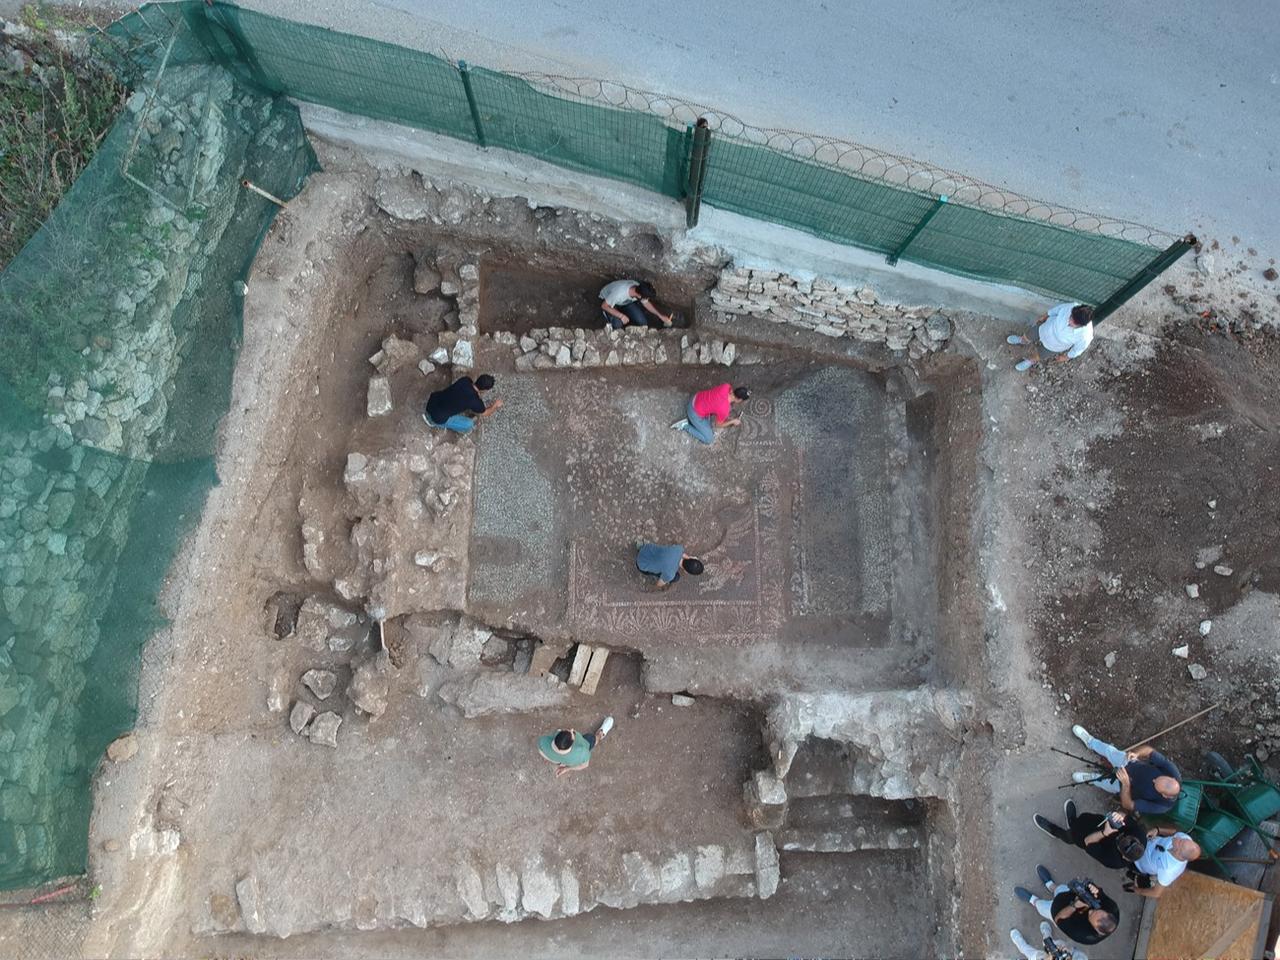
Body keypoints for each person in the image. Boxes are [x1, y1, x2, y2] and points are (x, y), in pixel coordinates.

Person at [1069, 724, 1182, 815]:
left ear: (1164, 795)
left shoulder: (1161, 806)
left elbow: (1129, 805)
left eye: (1155, 784)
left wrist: (1126, 784)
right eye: (1157, 778)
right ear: (1171, 778)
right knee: (1110, 751)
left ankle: (1093, 779)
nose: (1153, 780)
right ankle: (1091, 742)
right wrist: (1136, 753)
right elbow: (1150, 751)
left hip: (1124, 786)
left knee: (1105, 783)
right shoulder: (1172, 771)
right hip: (1131, 764)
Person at [1014, 866, 1119, 947]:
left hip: (1056, 910)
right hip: (1069, 895)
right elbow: (1102, 895)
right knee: (1059, 889)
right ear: (1108, 913)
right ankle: (1051, 886)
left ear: (1096, 929)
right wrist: (1096, 891)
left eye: (1091, 914)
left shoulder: (1084, 935)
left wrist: (1075, 905)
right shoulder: (1113, 910)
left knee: (1041, 906)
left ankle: (1033, 900)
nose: (1090, 910)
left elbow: (1058, 918)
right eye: (1096, 909)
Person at [1034, 799, 1147, 870]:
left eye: (1120, 843)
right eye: (1127, 837)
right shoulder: (1140, 835)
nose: (1122, 837)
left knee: (1071, 837)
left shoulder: (1114, 861)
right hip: (1099, 822)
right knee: (1083, 819)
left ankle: (1054, 831)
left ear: (1124, 856)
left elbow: (1087, 842)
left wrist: (1104, 833)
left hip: (1090, 837)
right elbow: (1125, 816)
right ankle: (1073, 821)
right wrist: (1120, 815)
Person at [1007, 302, 1094, 372]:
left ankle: (1030, 361)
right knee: (1028, 335)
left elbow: (1077, 350)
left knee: (1038, 355)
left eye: (1073, 322)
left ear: (1082, 325)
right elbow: (1058, 309)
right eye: (1071, 316)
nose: (1069, 320)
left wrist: (1066, 357)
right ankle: (1022, 340)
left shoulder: (1085, 336)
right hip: (1045, 328)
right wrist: (1045, 316)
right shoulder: (1072, 306)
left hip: (1053, 346)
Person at [1126, 829, 1200, 898]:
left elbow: (1156, 893)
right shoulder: (1186, 841)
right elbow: (1175, 833)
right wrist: (1158, 830)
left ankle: (1133, 875)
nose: (1179, 838)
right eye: (1184, 839)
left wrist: (1137, 890)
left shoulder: (1169, 870)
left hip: (1136, 861)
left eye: (1180, 842)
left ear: (1178, 853)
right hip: (1143, 841)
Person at [671, 383, 750, 444]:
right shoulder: (724, 409)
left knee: (711, 417)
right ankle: (685, 425)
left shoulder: (726, 386)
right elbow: (718, 425)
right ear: (739, 400)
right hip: (693, 412)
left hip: (695, 398)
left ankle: (700, 422)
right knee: (709, 439)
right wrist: (733, 421)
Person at [423, 373, 502, 434]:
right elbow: (485, 413)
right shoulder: (475, 402)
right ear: (484, 390)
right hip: (436, 417)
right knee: (469, 424)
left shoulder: (465, 380)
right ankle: (431, 421)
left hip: (433, 400)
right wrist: (495, 405)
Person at [537, 717, 614, 777]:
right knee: (591, 739)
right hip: (584, 743)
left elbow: (541, 751)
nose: (572, 729)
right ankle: (600, 734)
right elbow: (585, 765)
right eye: (572, 733)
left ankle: (560, 762)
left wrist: (554, 760)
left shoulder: (543, 742)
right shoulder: (582, 752)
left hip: (559, 761)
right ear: (572, 743)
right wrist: (567, 768)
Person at [599, 279, 673, 330]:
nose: (646, 299)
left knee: (643, 323)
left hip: (623, 302)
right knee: (617, 324)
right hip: (608, 301)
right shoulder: (619, 293)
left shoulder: (638, 288)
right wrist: (621, 316)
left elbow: (646, 303)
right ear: (639, 296)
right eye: (646, 298)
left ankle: (627, 320)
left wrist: (660, 316)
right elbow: (604, 306)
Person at [635, 542, 703, 589]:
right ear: (686, 571)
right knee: (676, 578)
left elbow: (682, 554)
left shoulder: (678, 548)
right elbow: (659, 584)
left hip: (646, 548)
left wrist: (690, 558)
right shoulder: (670, 574)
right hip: (641, 564)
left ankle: (640, 546)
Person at [1010, 922, 1087, 960]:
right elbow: (1080, 955)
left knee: (1028, 951)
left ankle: (1019, 942)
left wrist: (1048, 958)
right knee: (1049, 943)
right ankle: (1046, 933)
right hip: (1063, 953)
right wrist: (1069, 954)